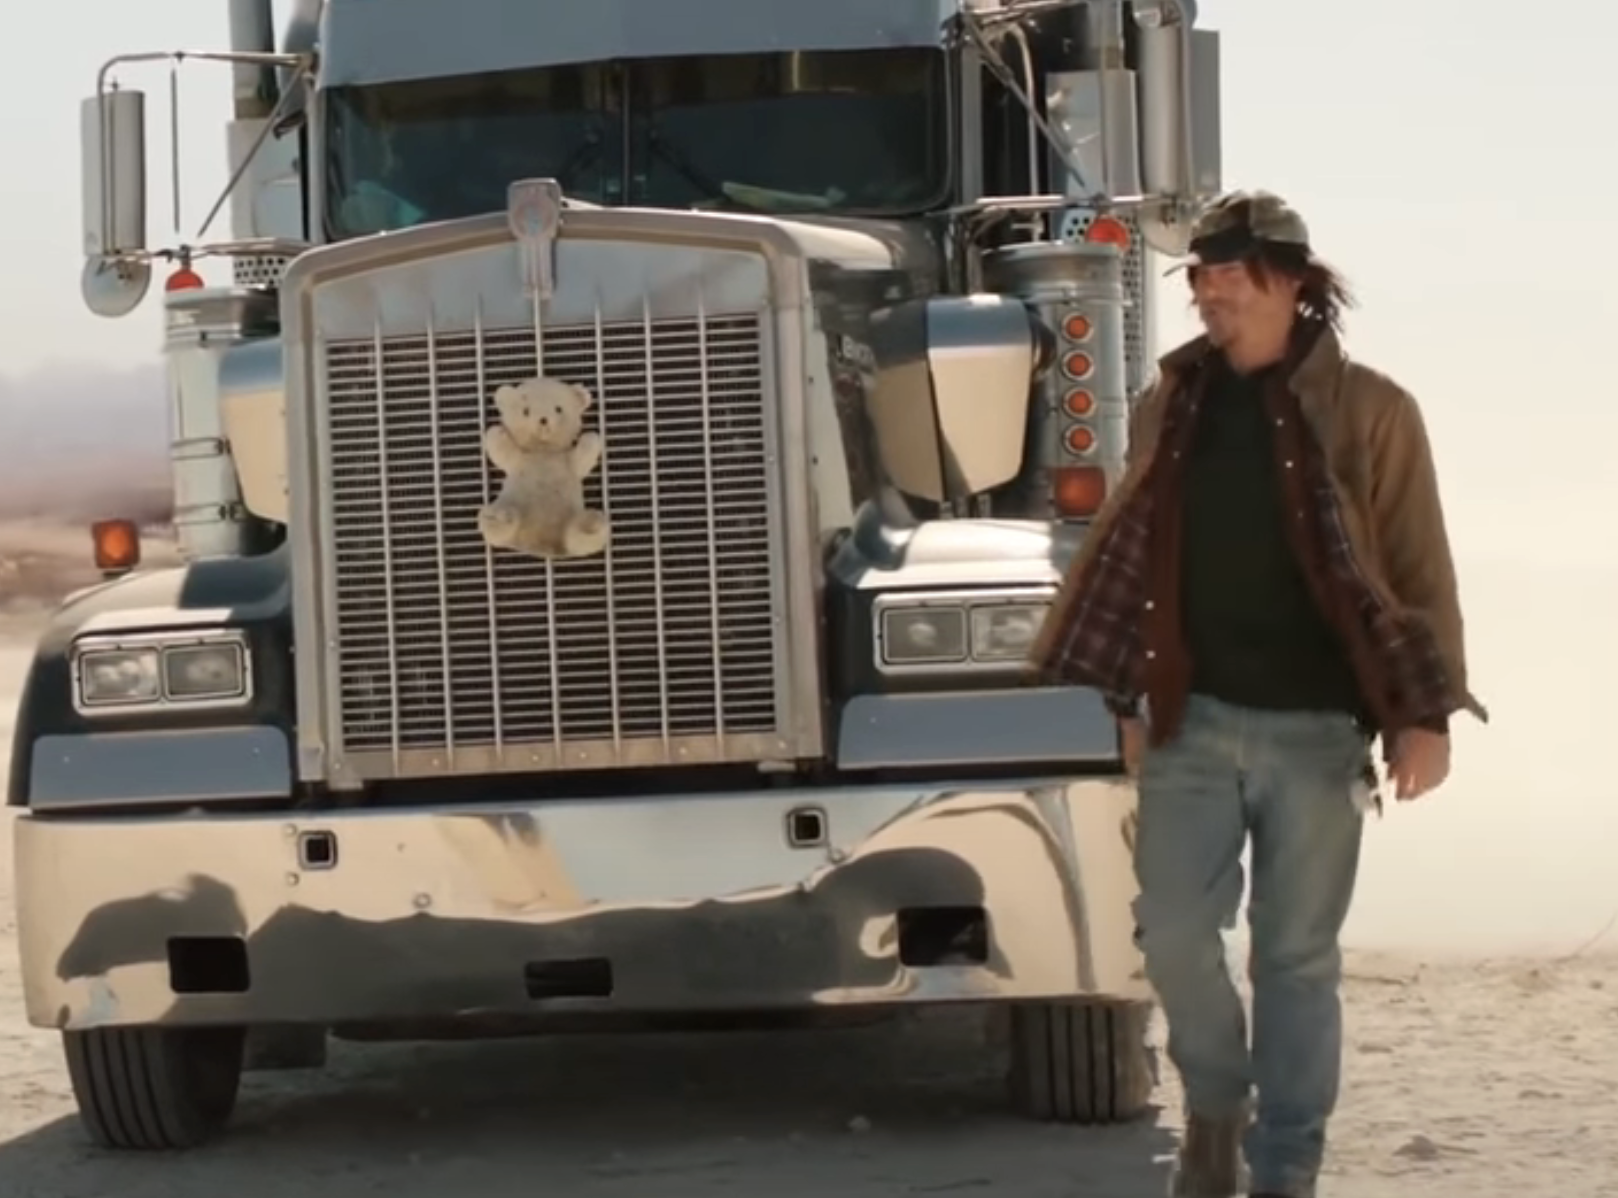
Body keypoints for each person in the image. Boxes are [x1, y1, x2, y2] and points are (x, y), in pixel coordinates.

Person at [1026, 190, 1487, 1198]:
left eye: (1229, 270)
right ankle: (1215, 1103)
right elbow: (1136, 556)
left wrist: (1426, 717)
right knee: (1173, 936)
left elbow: (1420, 566)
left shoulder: (1373, 409)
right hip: (1191, 724)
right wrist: (1126, 702)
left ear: (1291, 281)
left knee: (1295, 961)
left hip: (1319, 734)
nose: (1208, 289)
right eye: (1199, 271)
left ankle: (1284, 1168)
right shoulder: (1171, 401)